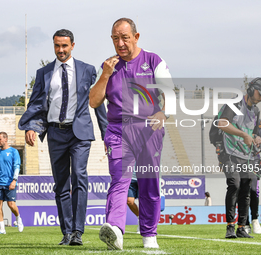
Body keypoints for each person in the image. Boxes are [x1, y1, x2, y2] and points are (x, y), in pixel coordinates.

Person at [89, 18, 174, 249]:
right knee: (119, 180)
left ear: (136, 37)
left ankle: (149, 234)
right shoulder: (107, 65)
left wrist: (163, 114)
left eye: (125, 37)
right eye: (115, 38)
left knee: (149, 183)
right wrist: (105, 75)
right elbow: (94, 101)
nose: (120, 43)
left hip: (149, 131)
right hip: (118, 131)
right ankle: (115, 230)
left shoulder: (154, 60)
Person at [18, 29, 108, 246]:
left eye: (64, 46)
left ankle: (78, 232)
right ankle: (66, 232)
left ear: (73, 46)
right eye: (57, 46)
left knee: (79, 176)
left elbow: (97, 102)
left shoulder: (87, 70)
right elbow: (36, 104)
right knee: (61, 184)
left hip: (80, 133)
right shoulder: (44, 73)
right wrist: (31, 126)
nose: (60, 50)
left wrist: (108, 136)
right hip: (55, 133)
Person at [217, 77, 261, 239]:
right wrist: (243, 135)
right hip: (229, 153)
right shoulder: (234, 104)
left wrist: (256, 139)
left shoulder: (255, 110)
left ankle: (242, 227)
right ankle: (230, 227)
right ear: (250, 89)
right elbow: (221, 123)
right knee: (235, 185)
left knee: (246, 189)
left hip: (246, 156)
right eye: (259, 94)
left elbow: (254, 133)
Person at [0, 132, 24, 235]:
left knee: (11, 204)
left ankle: (18, 218)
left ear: (6, 139)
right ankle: (2, 229)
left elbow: (17, 166)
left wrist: (14, 180)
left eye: (0, 139)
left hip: (10, 182)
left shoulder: (13, 152)